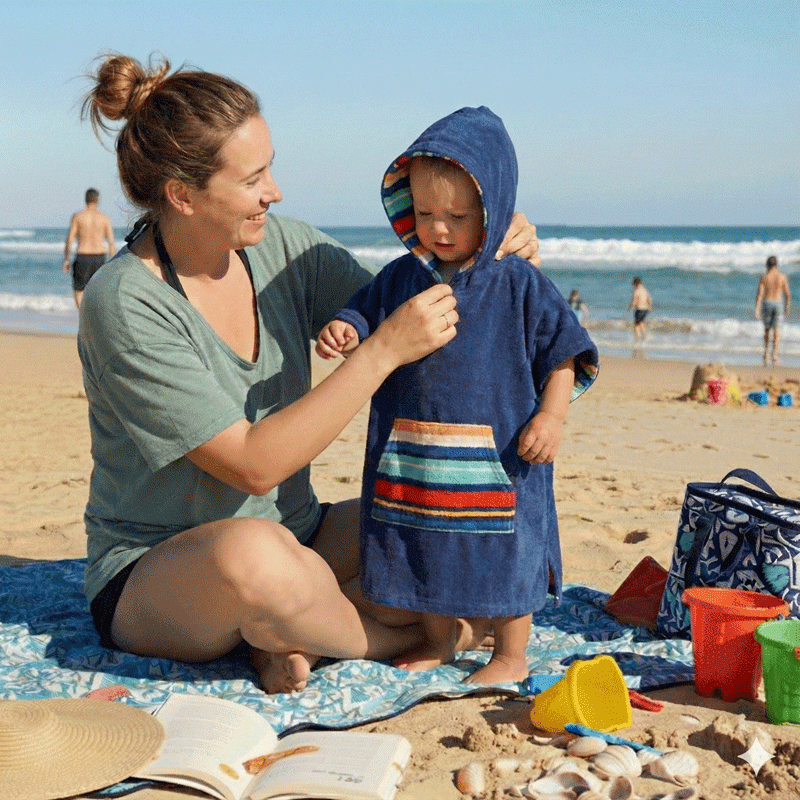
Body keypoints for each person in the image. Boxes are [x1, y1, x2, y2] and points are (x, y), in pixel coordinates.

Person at [77, 54, 541, 695]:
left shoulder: (283, 246)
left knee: (459, 529)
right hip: (166, 572)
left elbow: (423, 314)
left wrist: (489, 254)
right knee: (254, 559)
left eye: (271, 167)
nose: (275, 191)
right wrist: (378, 353)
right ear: (183, 196)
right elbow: (252, 466)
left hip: (302, 531)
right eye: (254, 178)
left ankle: (292, 636)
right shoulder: (125, 302)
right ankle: (386, 639)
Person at [315, 107, 598, 685]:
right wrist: (346, 327)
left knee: (508, 554)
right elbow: (364, 311)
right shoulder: (402, 276)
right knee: (424, 548)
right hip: (416, 455)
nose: (439, 229)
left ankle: (510, 656)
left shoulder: (519, 282)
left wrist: (552, 415)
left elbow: (564, 352)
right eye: (425, 214)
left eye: (458, 216)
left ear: (492, 211)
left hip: (501, 457)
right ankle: (439, 644)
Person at [62, 188, 116, 307]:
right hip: (99, 257)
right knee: (98, 290)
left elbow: (70, 239)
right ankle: (94, 318)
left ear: (85, 199)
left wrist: (66, 259)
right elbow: (111, 243)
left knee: (79, 290)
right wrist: (113, 263)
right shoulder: (104, 218)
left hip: (83, 256)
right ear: (97, 200)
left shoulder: (78, 216)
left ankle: (83, 317)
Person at [754, 255, 791, 366]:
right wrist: (787, 307)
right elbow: (787, 294)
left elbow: (760, 294)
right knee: (777, 332)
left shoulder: (764, 277)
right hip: (778, 304)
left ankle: (765, 354)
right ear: (776, 265)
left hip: (767, 303)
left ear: (767, 265)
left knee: (767, 330)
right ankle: (774, 356)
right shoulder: (782, 276)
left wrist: (757, 308)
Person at [628, 276, 652, 342]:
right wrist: (650, 307)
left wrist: (630, 307)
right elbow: (649, 299)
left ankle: (637, 338)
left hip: (639, 309)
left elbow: (634, 300)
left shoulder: (636, 291)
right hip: (645, 309)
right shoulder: (644, 290)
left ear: (636, 284)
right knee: (641, 323)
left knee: (636, 324)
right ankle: (644, 337)